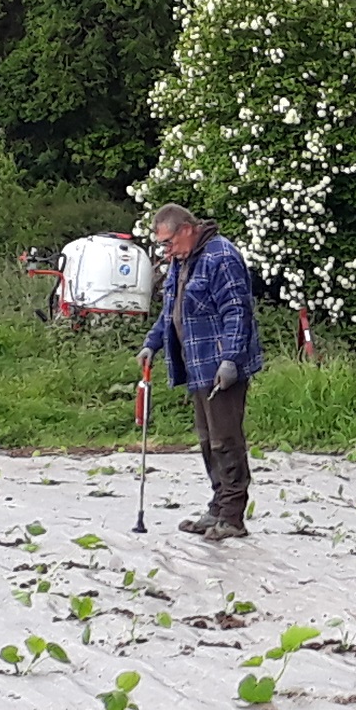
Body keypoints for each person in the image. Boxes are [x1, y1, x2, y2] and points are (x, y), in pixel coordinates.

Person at [138, 204, 261, 541]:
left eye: (168, 242)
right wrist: (153, 343)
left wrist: (231, 360)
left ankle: (233, 516)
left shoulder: (222, 257)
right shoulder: (183, 261)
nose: (166, 250)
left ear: (187, 229)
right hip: (196, 364)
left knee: (226, 440)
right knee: (208, 441)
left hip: (221, 364)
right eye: (162, 245)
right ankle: (218, 506)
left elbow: (238, 311)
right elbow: (171, 310)